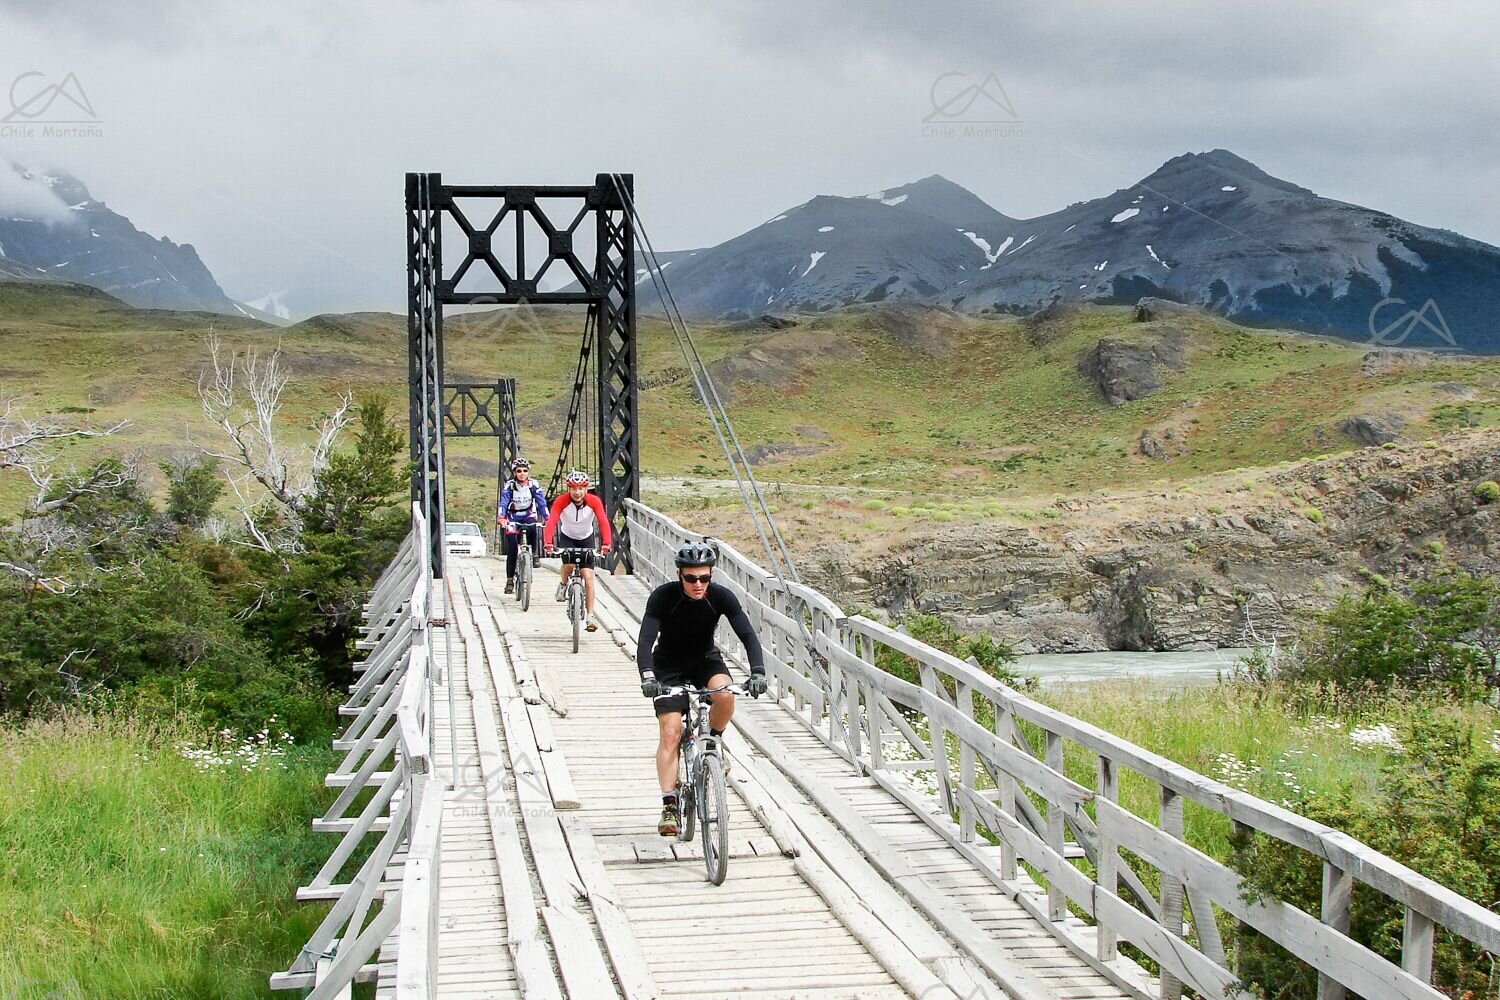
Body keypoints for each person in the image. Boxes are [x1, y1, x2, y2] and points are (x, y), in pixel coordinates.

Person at [637, 541, 768, 837]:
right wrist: (647, 676)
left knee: (724, 694)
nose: (698, 585)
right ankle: (669, 805)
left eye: (704, 578)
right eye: (691, 578)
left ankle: (714, 744)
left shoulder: (721, 597)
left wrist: (758, 671)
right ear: (679, 574)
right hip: (668, 664)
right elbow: (645, 640)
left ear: (711, 575)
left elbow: (747, 633)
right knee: (671, 731)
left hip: (705, 660)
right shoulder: (663, 597)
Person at [542, 470, 612, 632]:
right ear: (569, 489)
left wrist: (606, 544)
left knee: (588, 577)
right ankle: (563, 583)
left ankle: (590, 616)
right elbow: (552, 521)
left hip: (586, 538)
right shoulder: (561, 501)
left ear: (586, 489)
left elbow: (602, 521)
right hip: (568, 537)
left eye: (581, 488)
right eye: (573, 488)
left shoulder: (594, 501)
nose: (577, 492)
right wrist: (548, 542)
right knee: (569, 566)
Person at [496, 458, 547, 594]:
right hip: (513, 515)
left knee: (533, 528)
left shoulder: (533, 484)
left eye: (525, 471)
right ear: (514, 473)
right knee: (512, 548)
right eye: (519, 471)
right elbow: (503, 502)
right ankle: (510, 580)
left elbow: (541, 503)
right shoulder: (510, 486)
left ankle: (535, 555)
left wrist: (547, 517)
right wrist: (501, 518)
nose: (522, 474)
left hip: (528, 514)